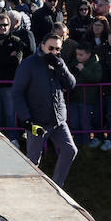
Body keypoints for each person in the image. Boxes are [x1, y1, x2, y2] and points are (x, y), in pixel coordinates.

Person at [11, 35, 78, 186]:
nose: (54, 52)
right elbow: (17, 92)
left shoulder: (58, 62)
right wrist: (26, 118)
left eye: (58, 49)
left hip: (58, 120)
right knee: (33, 159)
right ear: (42, 45)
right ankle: (28, 189)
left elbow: (71, 84)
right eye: (51, 48)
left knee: (70, 150)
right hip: (37, 121)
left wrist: (61, 67)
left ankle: (56, 186)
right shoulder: (29, 64)